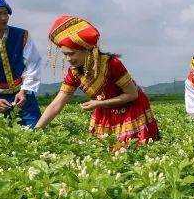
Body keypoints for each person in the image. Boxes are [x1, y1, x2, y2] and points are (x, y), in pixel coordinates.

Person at [35, 15, 160, 143]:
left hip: (130, 109)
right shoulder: (74, 73)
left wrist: (99, 103)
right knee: (105, 151)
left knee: (131, 148)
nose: (68, 59)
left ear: (87, 50)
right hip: (105, 112)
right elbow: (57, 104)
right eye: (65, 54)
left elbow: (132, 94)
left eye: (71, 54)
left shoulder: (112, 64)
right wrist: (36, 130)